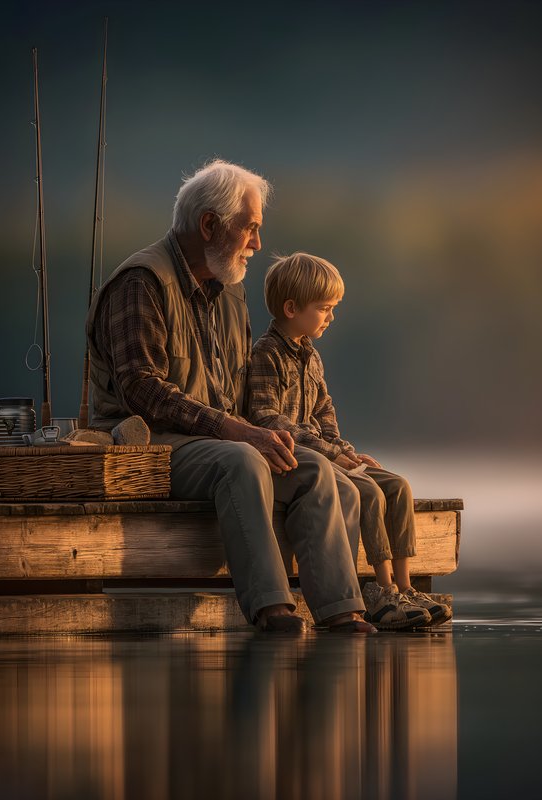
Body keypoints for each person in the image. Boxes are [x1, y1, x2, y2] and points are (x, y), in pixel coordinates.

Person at [85, 160, 375, 634]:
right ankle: (272, 609)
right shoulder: (141, 282)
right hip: (153, 446)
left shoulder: (230, 292)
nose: (258, 245)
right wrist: (236, 431)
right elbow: (140, 388)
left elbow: (242, 398)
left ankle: (342, 611)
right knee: (241, 461)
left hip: (225, 440)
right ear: (209, 226)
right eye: (251, 229)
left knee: (317, 470)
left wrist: (295, 441)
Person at [246, 252, 452, 629]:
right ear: (291, 308)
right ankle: (380, 590)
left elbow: (325, 412)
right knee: (369, 494)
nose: (331, 317)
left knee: (397, 486)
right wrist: (330, 455)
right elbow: (266, 417)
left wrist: (346, 451)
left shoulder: (312, 356)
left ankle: (404, 588)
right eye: (325, 308)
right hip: (301, 462)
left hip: (330, 456)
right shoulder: (265, 355)